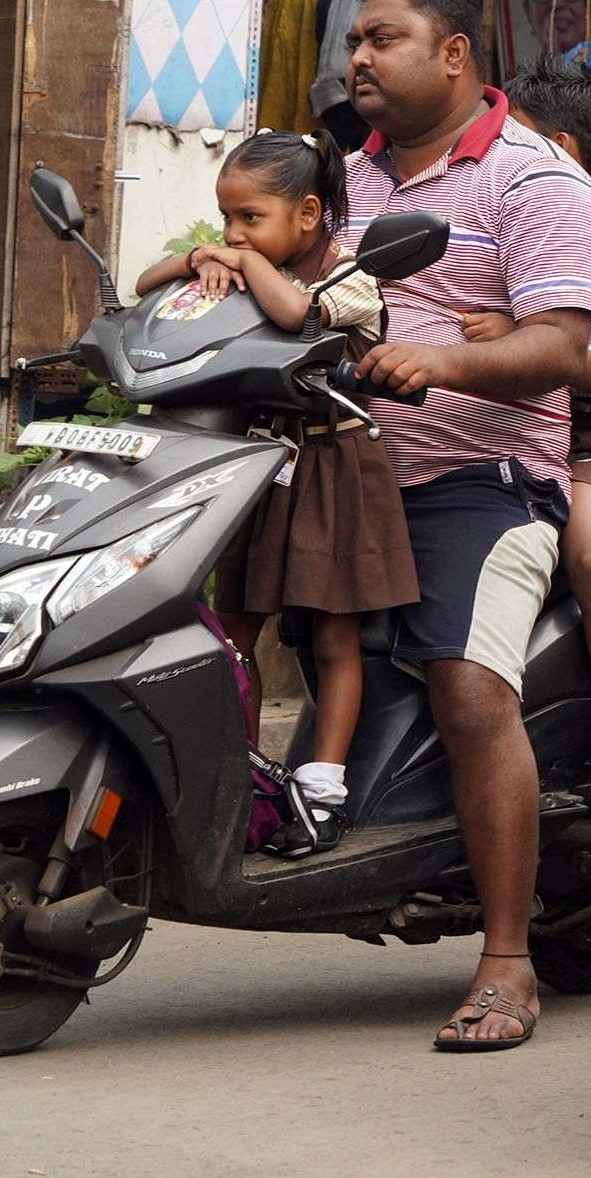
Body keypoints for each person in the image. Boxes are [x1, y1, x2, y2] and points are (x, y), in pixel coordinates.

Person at [339, 0, 591, 1052]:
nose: (358, 57)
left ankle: (507, 959)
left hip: (485, 478)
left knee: (467, 687)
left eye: (381, 38)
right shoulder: (351, 172)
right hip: (348, 466)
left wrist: (437, 364)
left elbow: (561, 343)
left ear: (453, 53)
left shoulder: (534, 181)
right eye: (355, 40)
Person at [133, 128, 416, 853]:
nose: (234, 232)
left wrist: (244, 260)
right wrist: (203, 257)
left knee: (332, 638)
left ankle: (321, 792)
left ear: (311, 212)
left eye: (250, 217)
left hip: (335, 472)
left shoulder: (351, 275)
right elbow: (145, 286)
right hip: (264, 471)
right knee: (233, 636)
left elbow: (296, 315)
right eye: (226, 217)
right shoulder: (241, 261)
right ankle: (241, 787)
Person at [460, 59, 591, 833]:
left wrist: (522, 337)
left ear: (562, 148)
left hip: (576, 443)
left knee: (589, 559)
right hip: (475, 431)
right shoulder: (487, 219)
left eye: (520, 138)